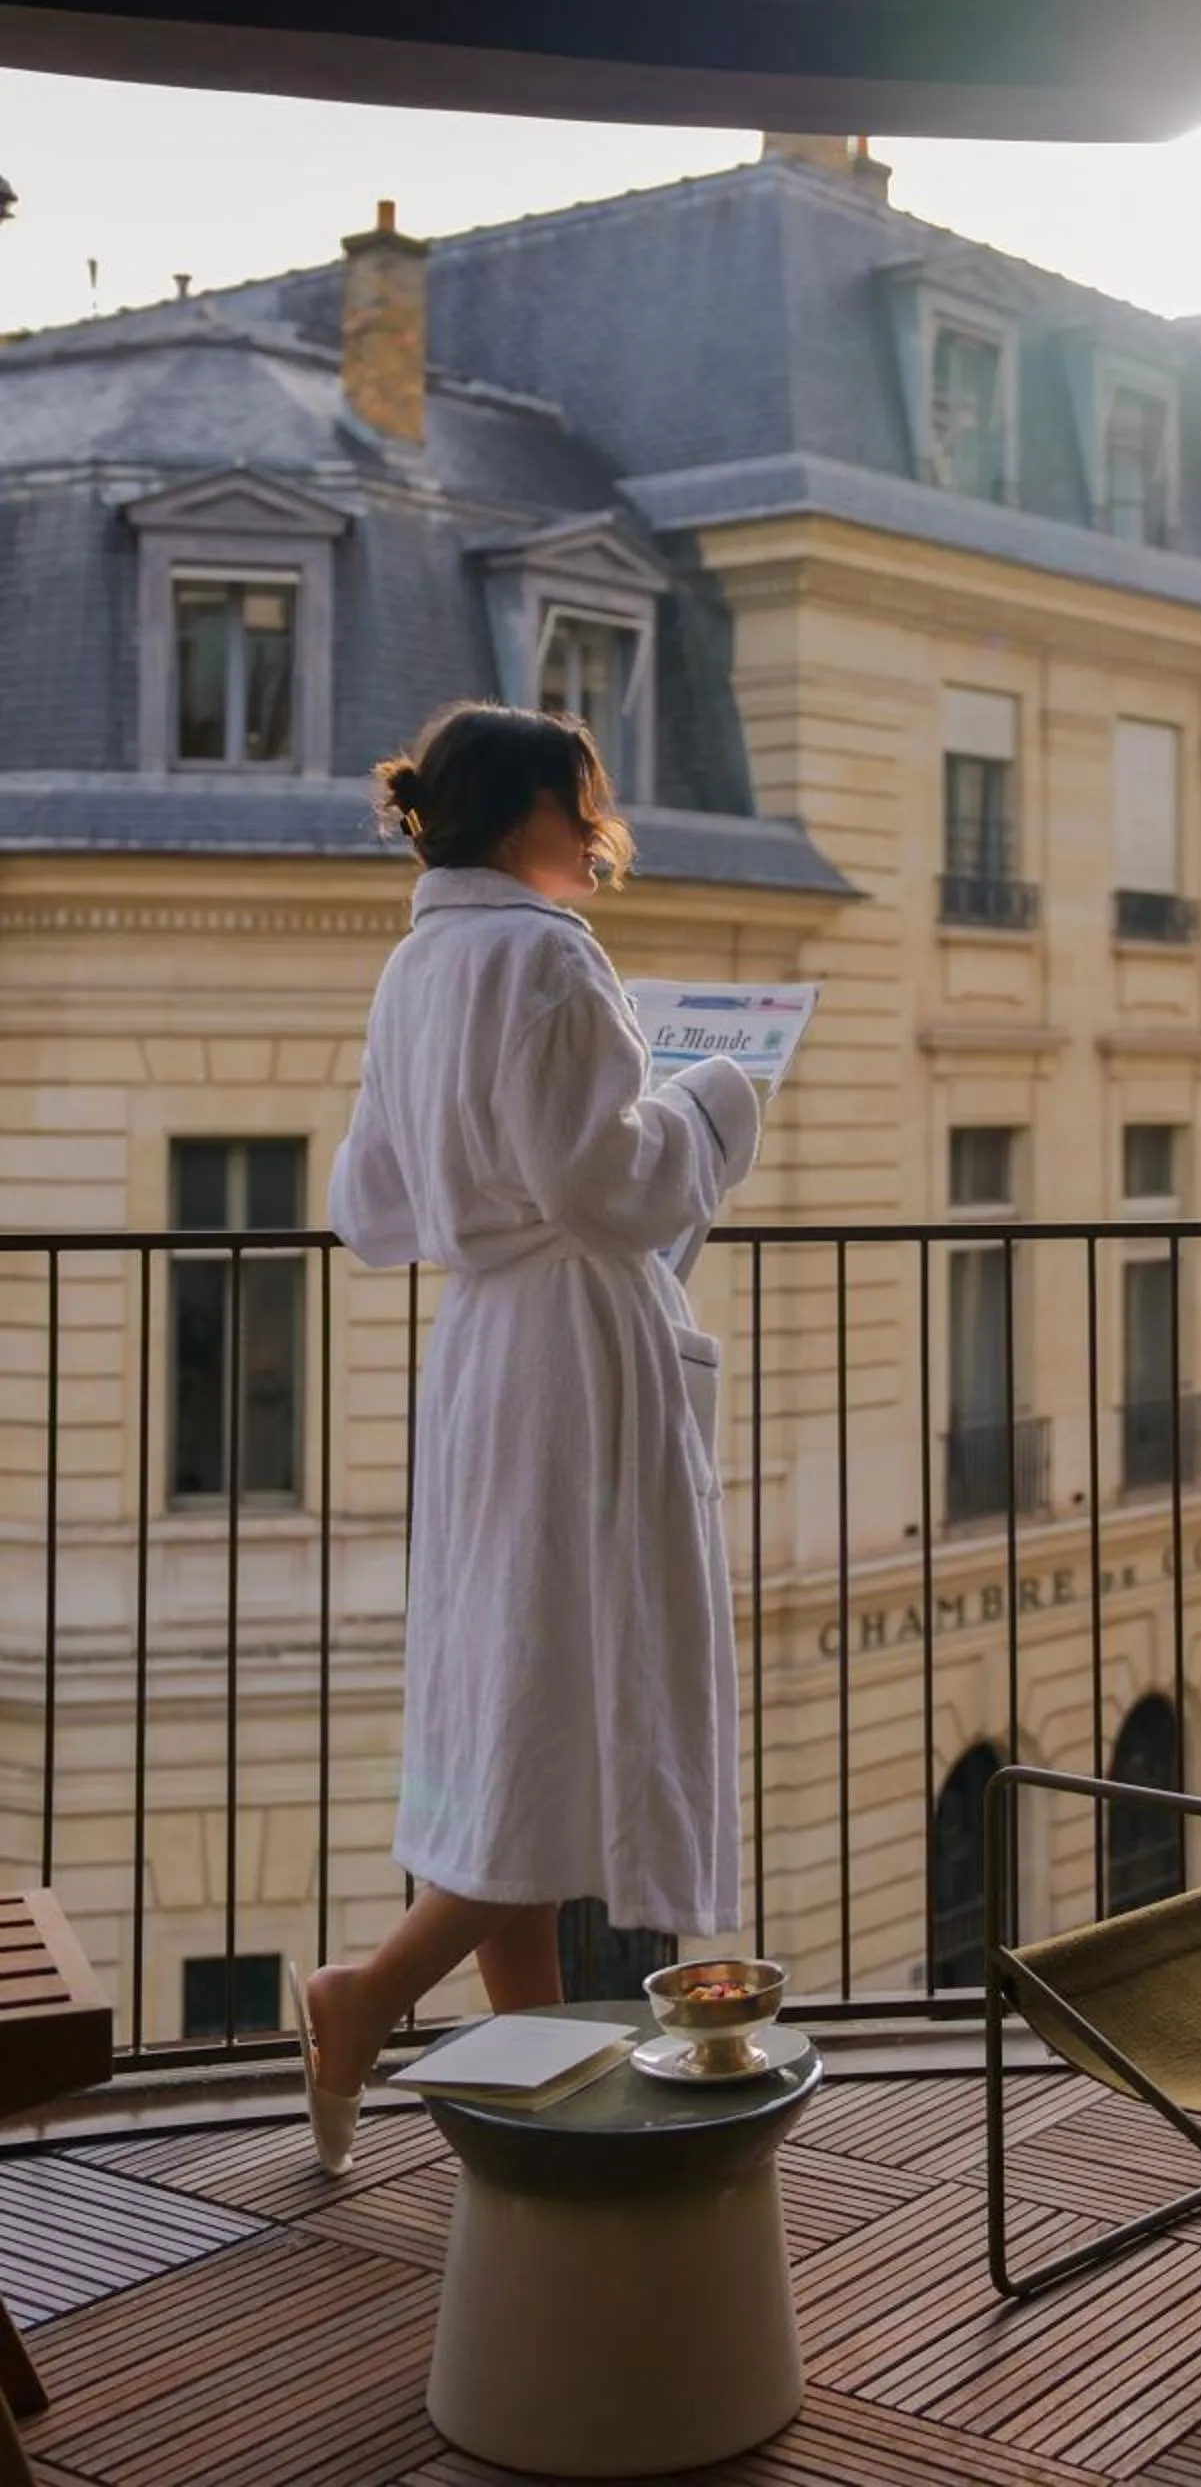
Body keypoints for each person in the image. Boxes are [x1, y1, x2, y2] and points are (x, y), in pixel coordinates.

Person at [289, 700, 760, 2174]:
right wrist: (715, 1103)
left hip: (486, 1352)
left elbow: (369, 1210)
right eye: (585, 800)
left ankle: (538, 2084)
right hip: (572, 1362)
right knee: (570, 1712)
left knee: (515, 1698)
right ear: (533, 811)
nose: (597, 825)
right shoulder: (547, 954)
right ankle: (362, 1997)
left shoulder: (420, 960)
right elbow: (607, 1184)